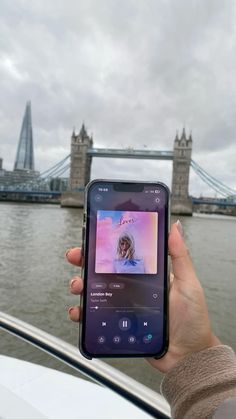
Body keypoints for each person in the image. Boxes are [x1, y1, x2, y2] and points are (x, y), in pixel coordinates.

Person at [66, 221, 236, 419]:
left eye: (125, 244)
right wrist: (197, 356)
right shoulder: (109, 263)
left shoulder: (138, 263)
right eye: (120, 244)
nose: (122, 247)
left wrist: (195, 354)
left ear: (130, 245)